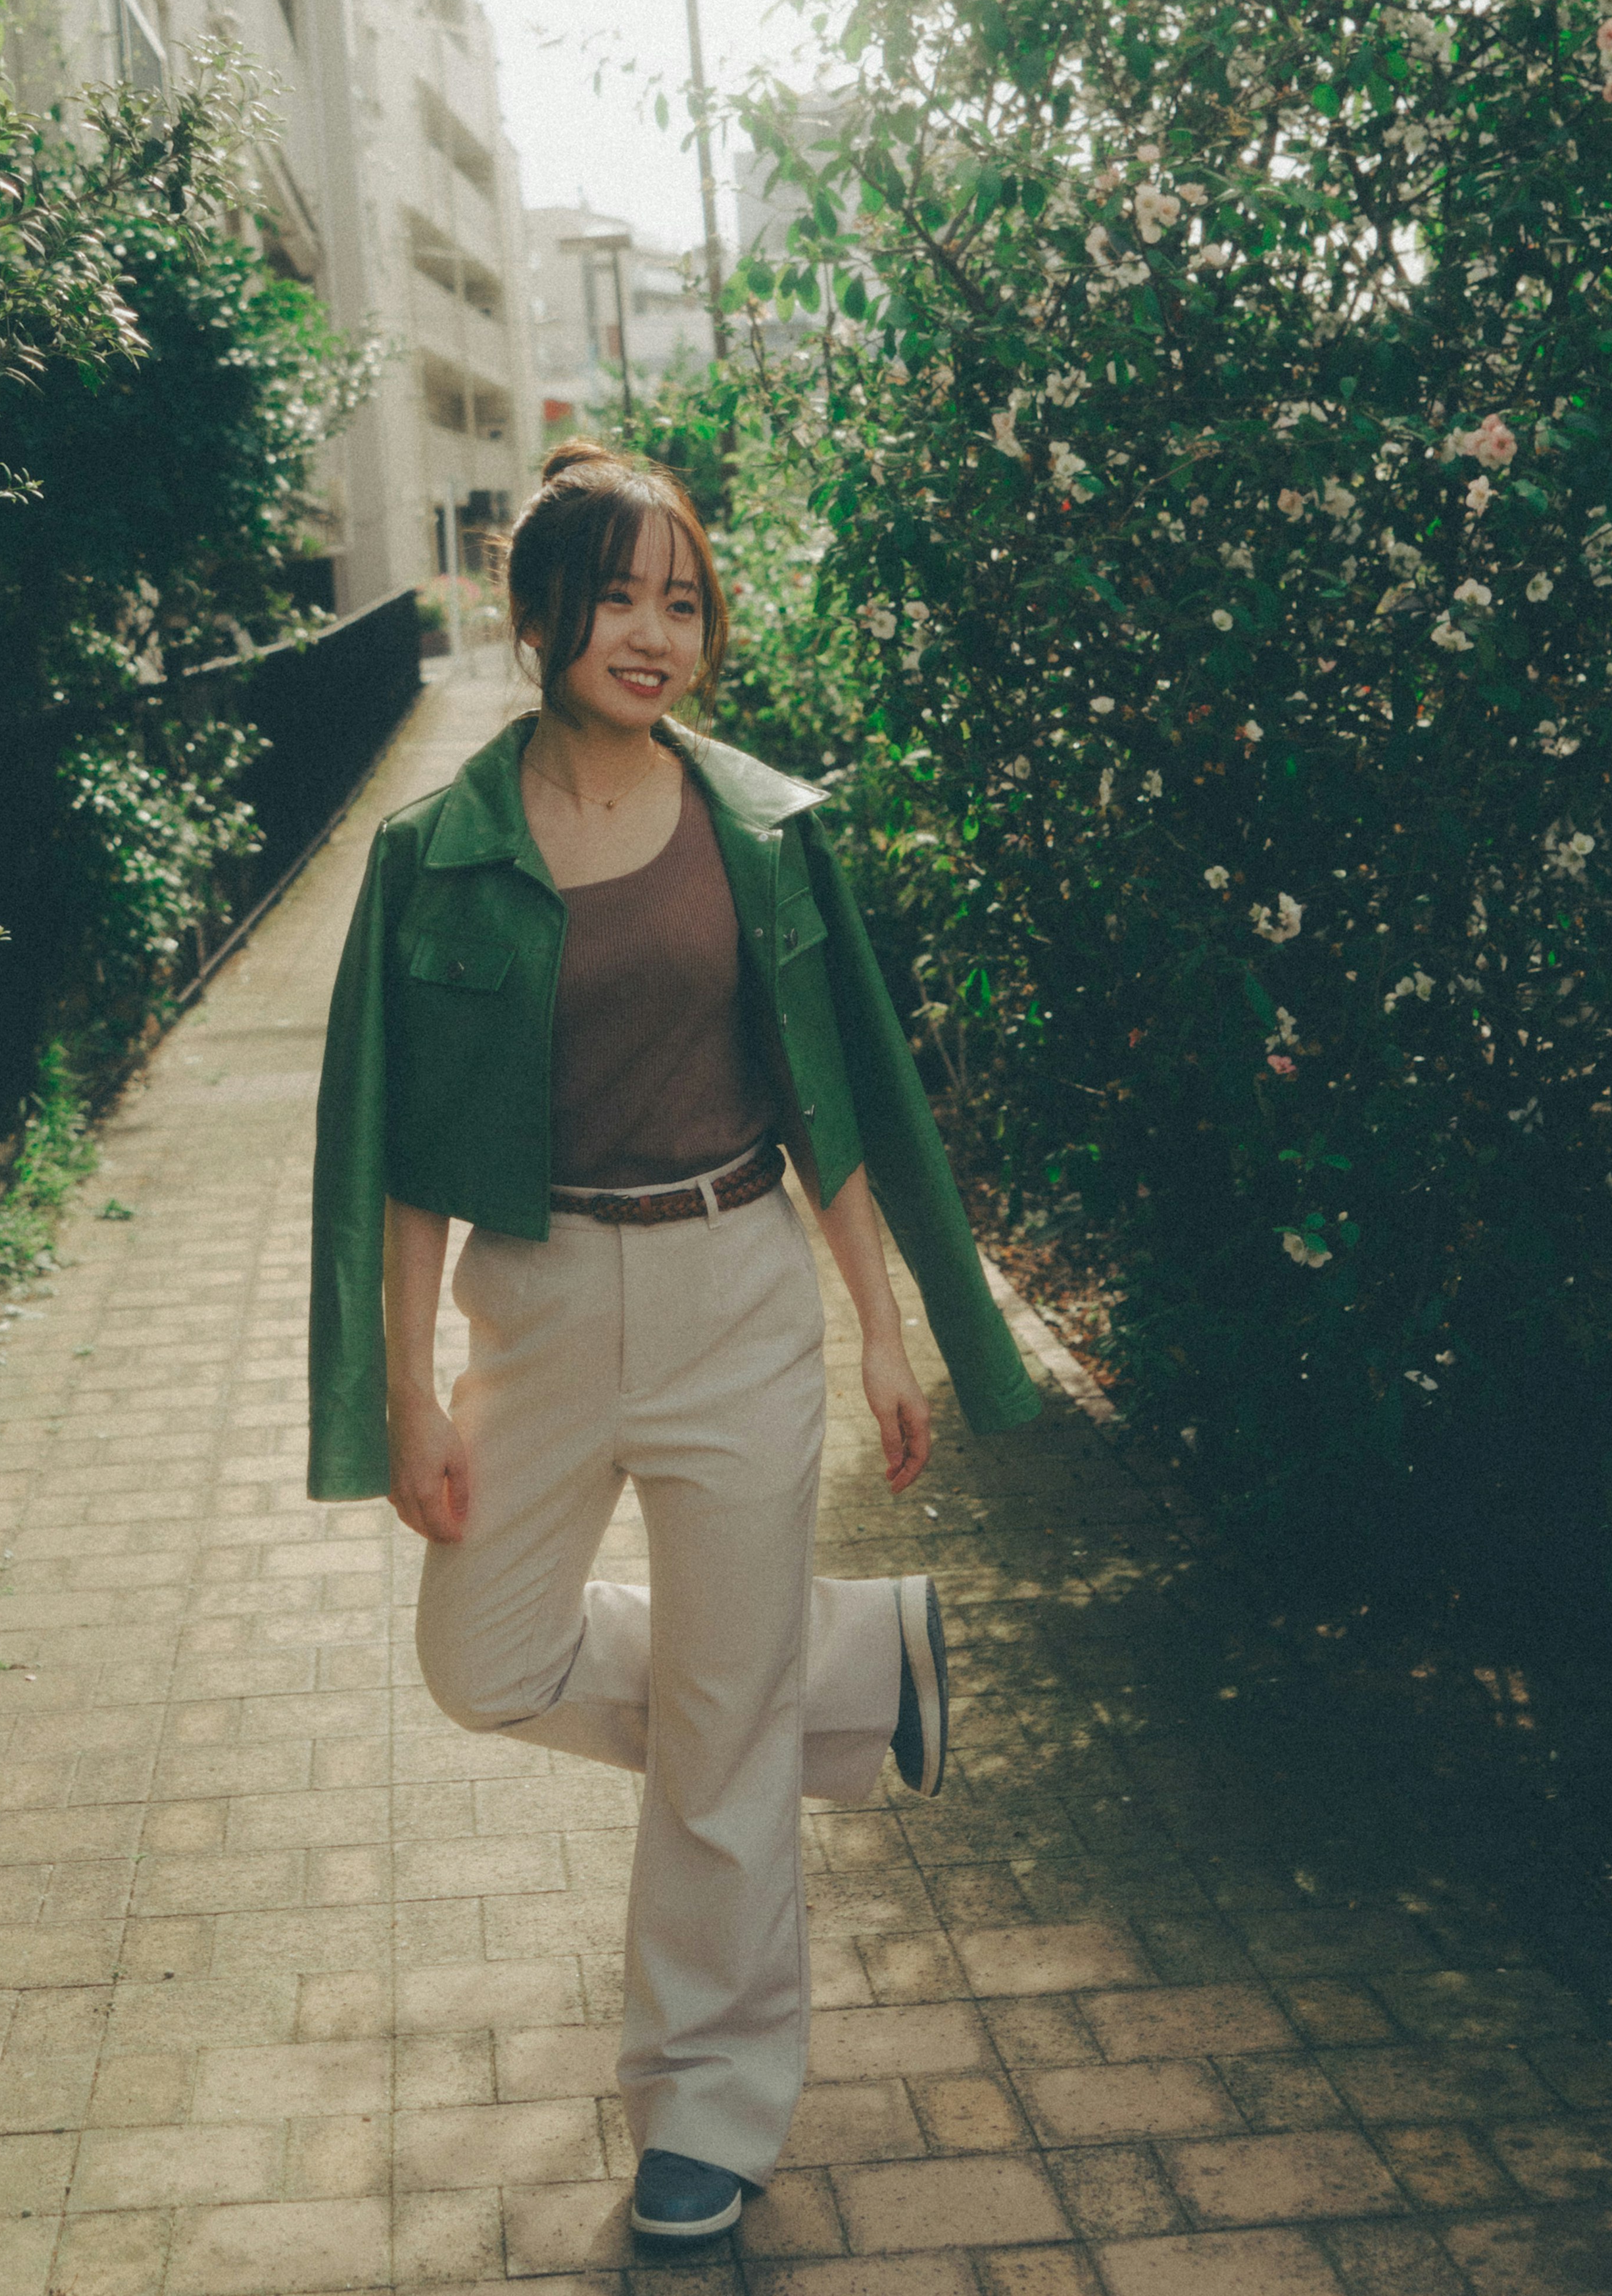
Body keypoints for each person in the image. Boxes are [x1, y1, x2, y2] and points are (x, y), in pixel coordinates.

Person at [307, 442, 1042, 2241]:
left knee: (720, 1748)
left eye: (684, 602)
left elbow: (832, 1102)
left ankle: (706, 2106)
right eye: (620, 597)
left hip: (735, 1293)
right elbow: (402, 1162)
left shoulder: (757, 829)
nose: (655, 634)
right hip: (538, 1313)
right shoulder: (438, 856)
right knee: (484, 1661)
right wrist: (406, 1392)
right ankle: (850, 1669)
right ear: (541, 614)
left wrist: (879, 1324)